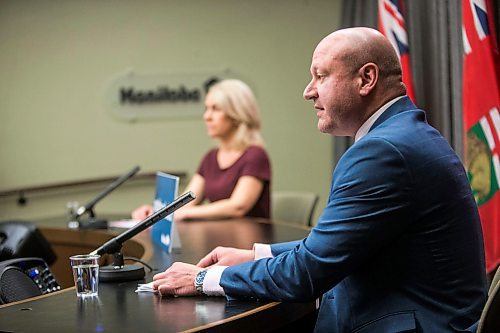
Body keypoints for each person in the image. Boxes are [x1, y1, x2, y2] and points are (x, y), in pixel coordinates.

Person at [151, 27, 487, 332]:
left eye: (320, 76)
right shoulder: (405, 134)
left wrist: (203, 279)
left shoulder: (383, 151)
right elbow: (335, 246)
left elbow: (307, 274)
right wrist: (257, 254)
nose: (308, 91)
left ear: (366, 79)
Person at [132, 79, 271, 221]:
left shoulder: (255, 155)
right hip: (219, 237)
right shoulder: (211, 157)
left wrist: (185, 213)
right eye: (206, 108)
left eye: (216, 109)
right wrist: (156, 212)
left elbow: (238, 206)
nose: (207, 116)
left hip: (248, 240)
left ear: (236, 114)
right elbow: (186, 203)